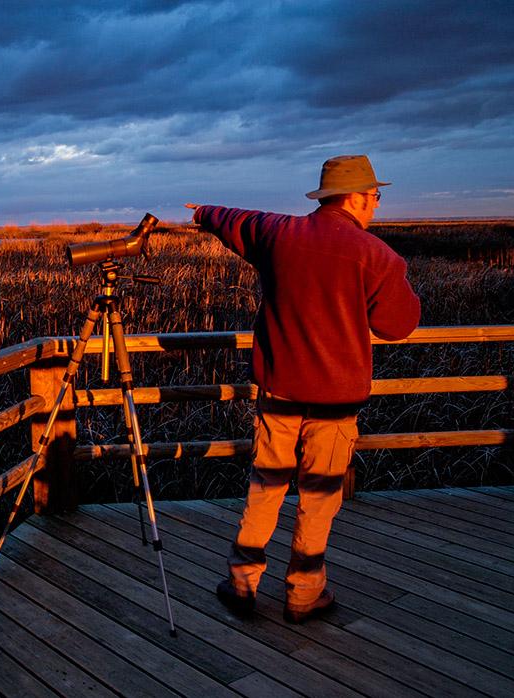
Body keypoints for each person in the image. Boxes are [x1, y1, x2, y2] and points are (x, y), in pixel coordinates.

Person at [184, 154, 420, 623]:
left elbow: (236, 220)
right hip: (336, 402)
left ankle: (242, 584)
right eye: (375, 196)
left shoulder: (277, 234)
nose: (377, 204)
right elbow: (398, 326)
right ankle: (304, 594)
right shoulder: (378, 257)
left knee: (265, 487)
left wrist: (202, 212)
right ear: (353, 197)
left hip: (280, 392)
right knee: (319, 496)